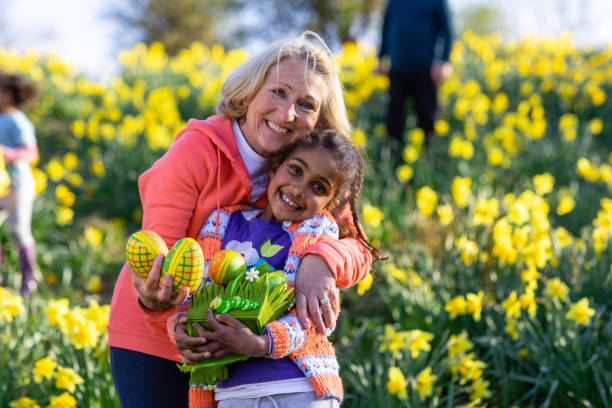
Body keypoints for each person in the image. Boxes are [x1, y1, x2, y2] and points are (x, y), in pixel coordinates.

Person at [108, 32, 373, 408]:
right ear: (249, 91)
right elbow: (157, 255)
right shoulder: (195, 152)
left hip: (251, 352)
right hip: (156, 341)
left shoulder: (314, 171)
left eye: (307, 104)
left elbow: (359, 247)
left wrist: (322, 261)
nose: (287, 114)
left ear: (319, 121)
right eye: (278, 92)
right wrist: (162, 310)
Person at [172, 130, 382, 408]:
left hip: (298, 388)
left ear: (330, 205)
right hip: (230, 394)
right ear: (275, 167)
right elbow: (195, 292)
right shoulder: (221, 222)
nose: (299, 189)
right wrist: (182, 327)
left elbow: (319, 321)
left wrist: (262, 344)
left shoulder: (316, 231)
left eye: (318, 188)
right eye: (295, 170)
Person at [378, 0, 454, 145]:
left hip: (426, 69)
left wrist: (443, 61)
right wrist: (381, 56)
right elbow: (386, 27)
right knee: (393, 121)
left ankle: (430, 160)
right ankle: (394, 161)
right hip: (397, 67)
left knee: (428, 119)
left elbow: (447, 30)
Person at [0, 73, 40, 296]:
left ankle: (29, 278)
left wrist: (7, 153)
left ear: (8, 95)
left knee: (19, 231)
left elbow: (31, 152)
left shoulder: (17, 120)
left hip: (17, 185)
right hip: (0, 186)